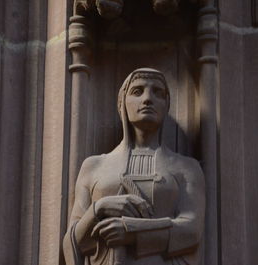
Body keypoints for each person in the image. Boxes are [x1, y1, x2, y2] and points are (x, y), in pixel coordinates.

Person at [63, 68, 205, 265]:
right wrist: (99, 208)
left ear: (166, 104)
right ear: (122, 103)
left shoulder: (186, 167)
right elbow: (74, 240)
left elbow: (191, 231)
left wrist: (132, 233)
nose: (148, 99)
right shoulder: (94, 166)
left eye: (158, 93)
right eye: (137, 91)